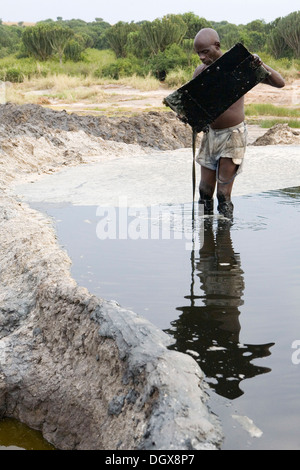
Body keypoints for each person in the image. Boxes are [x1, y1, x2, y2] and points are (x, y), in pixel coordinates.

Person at [193, 28, 285, 219]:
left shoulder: (239, 66)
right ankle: (204, 239)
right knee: (204, 193)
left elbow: (279, 82)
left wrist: (260, 64)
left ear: (217, 46)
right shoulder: (201, 72)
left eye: (205, 51)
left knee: (222, 194)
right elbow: (194, 105)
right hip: (211, 136)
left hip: (232, 136)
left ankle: (225, 242)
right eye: (198, 53)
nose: (201, 57)